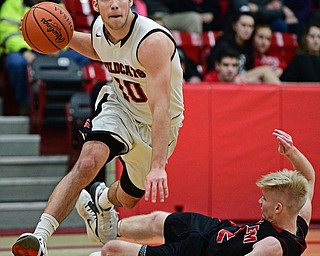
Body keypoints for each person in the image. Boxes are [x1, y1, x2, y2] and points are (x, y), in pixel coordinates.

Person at [11, 0, 184, 255]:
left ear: (130, 2)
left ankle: (102, 201)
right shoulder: (100, 29)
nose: (114, 4)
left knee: (129, 197)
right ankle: (40, 237)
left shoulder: (152, 40)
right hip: (120, 107)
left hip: (157, 122)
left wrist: (158, 166)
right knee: (89, 161)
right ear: (95, 4)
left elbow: (161, 107)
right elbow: (98, 48)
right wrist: (62, 35)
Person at [79, 128, 315, 256]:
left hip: (199, 251)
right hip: (215, 229)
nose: (259, 200)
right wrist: (292, 152)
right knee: (157, 219)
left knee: (111, 251)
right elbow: (309, 178)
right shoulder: (299, 218)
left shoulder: (273, 245)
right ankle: (106, 227)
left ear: (278, 208)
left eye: (264, 199)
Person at [0, 0, 89, 116]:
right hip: (24, 50)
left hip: (52, 50)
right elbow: (7, 33)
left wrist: (56, 47)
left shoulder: (57, 4)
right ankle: (25, 104)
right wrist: (24, 50)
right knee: (15, 63)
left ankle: (69, 104)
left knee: (83, 57)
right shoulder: (12, 3)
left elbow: (65, 32)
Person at [204, 47, 281, 84]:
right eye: (226, 65)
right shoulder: (209, 79)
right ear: (217, 65)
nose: (230, 69)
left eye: (234, 65)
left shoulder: (238, 78)